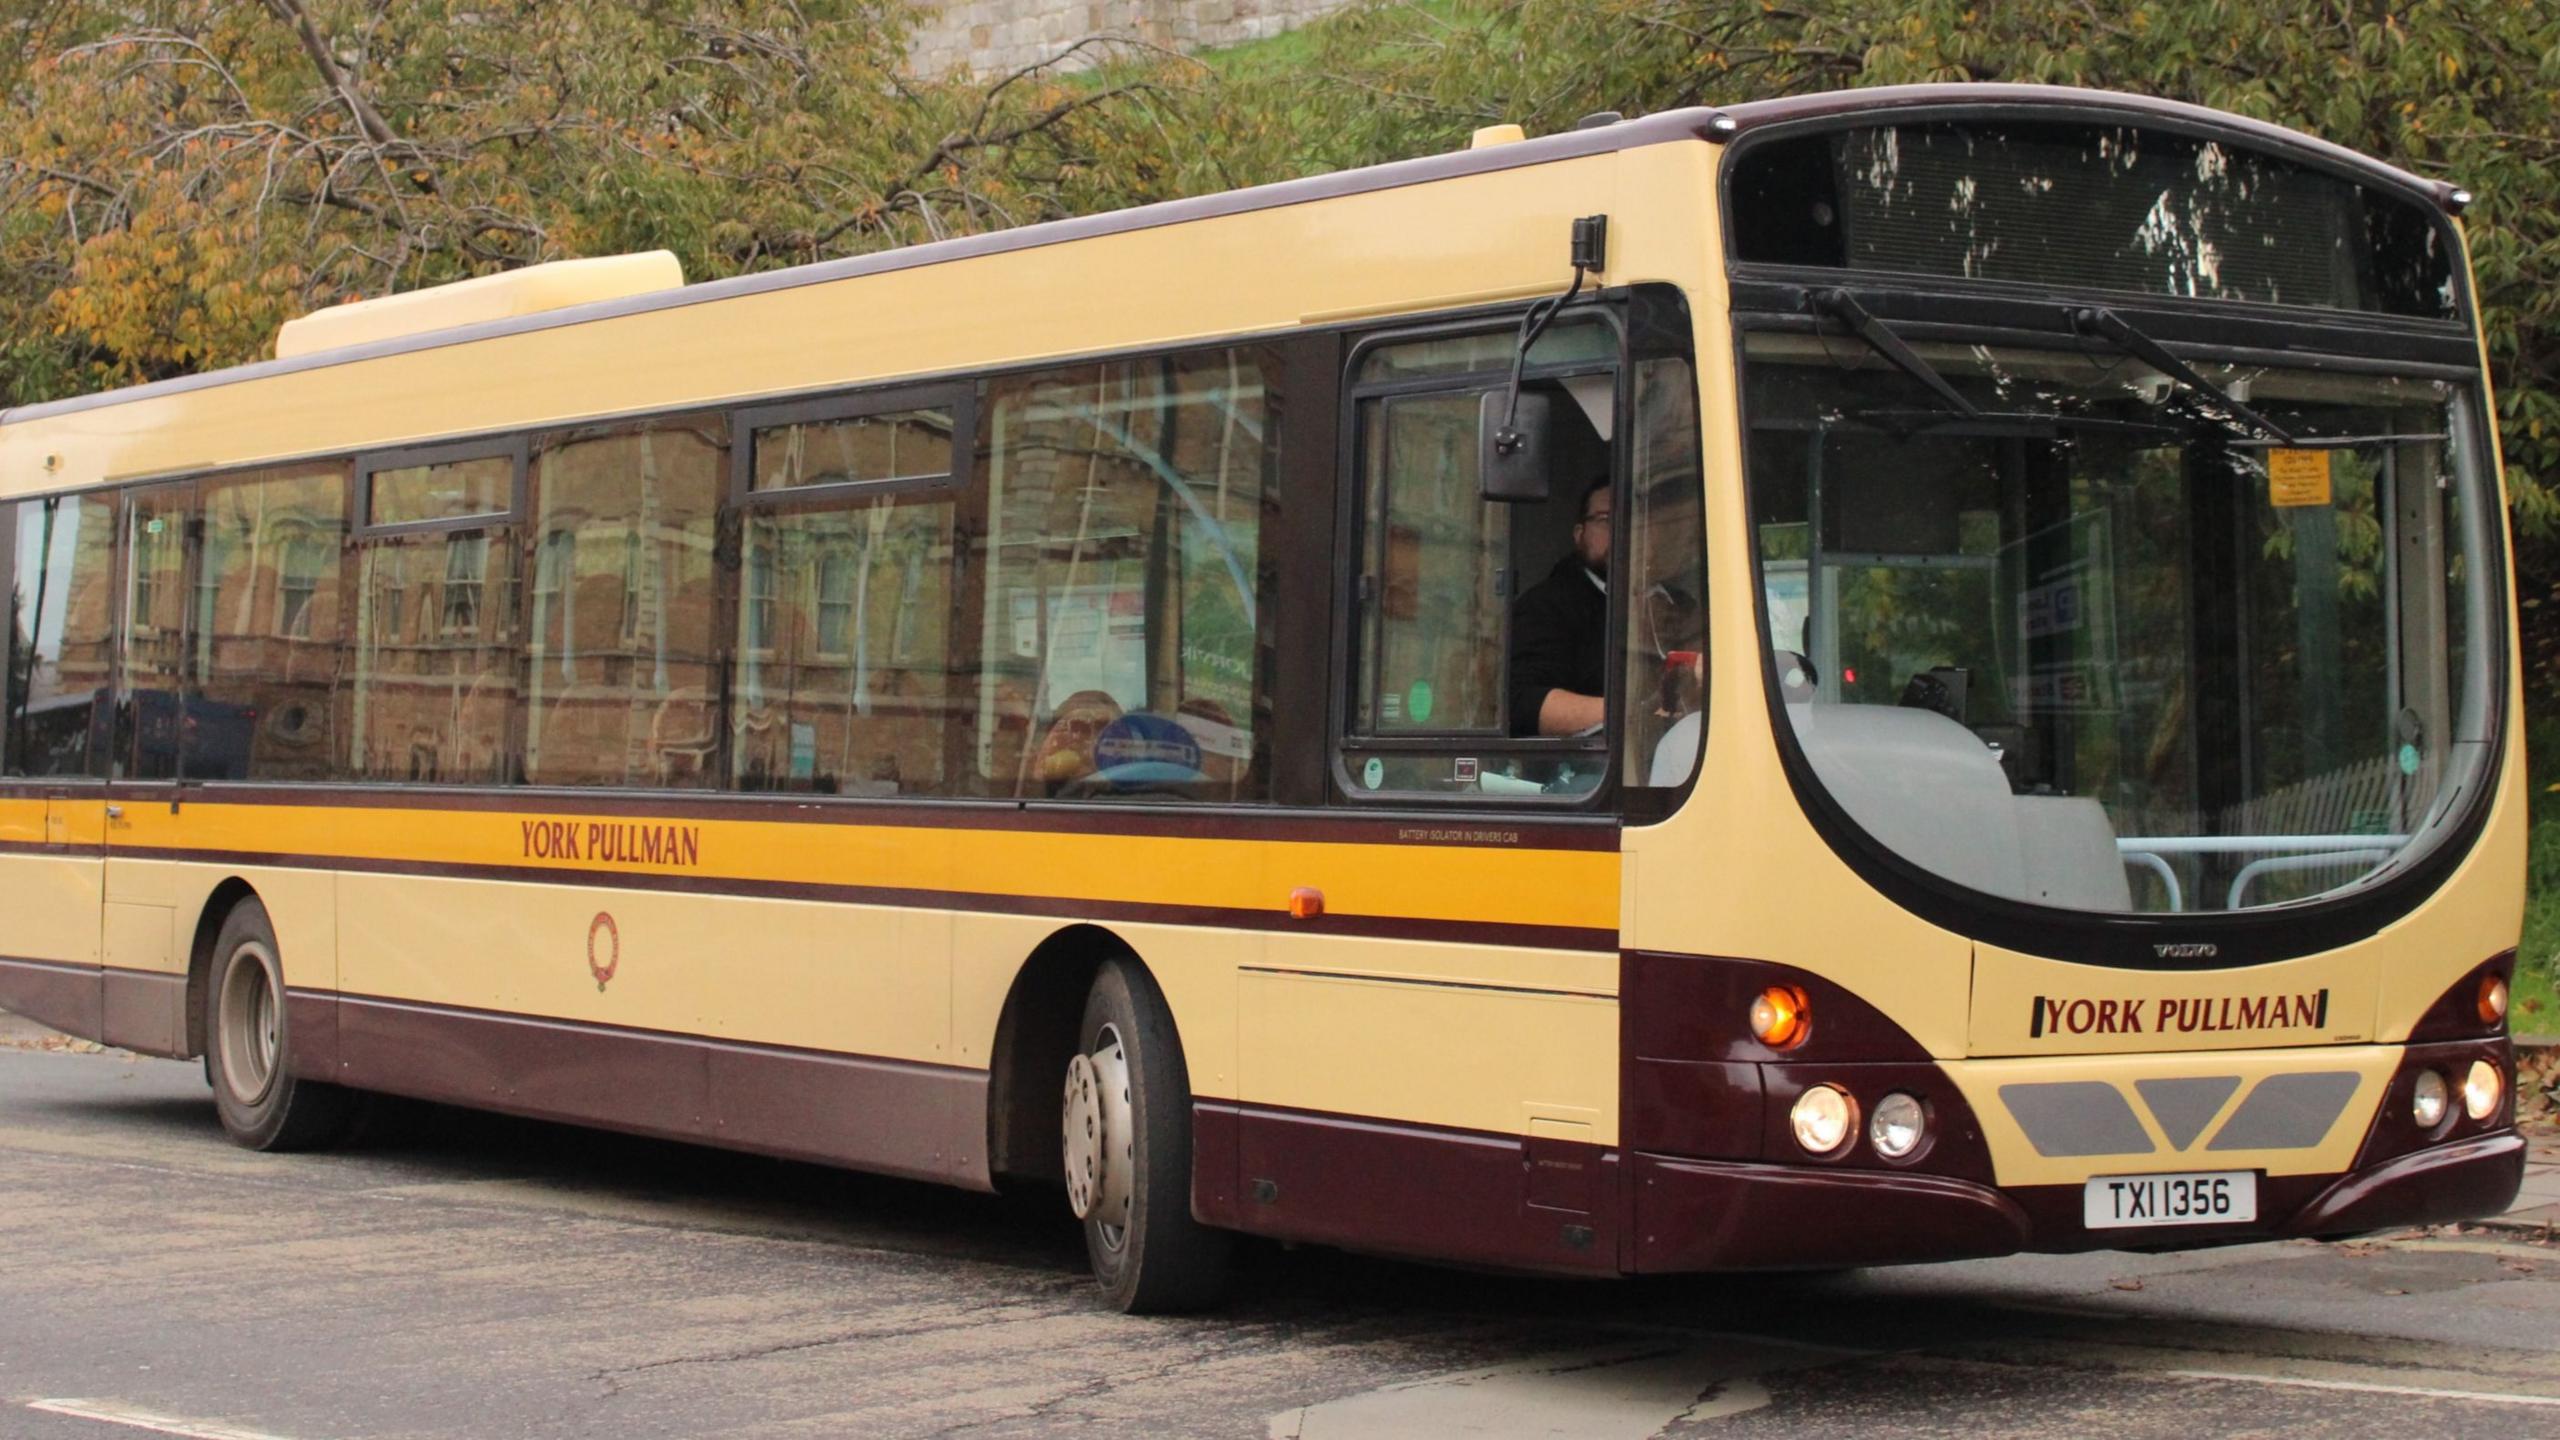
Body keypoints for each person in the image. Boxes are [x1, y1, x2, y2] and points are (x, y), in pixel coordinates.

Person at [1508, 476, 1610, 737]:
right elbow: (1522, 703)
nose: (1622, 530)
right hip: (1584, 768)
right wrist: (1631, 715)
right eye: (1606, 519)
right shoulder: (1546, 606)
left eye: (1637, 521)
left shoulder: (1678, 606)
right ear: (1580, 534)